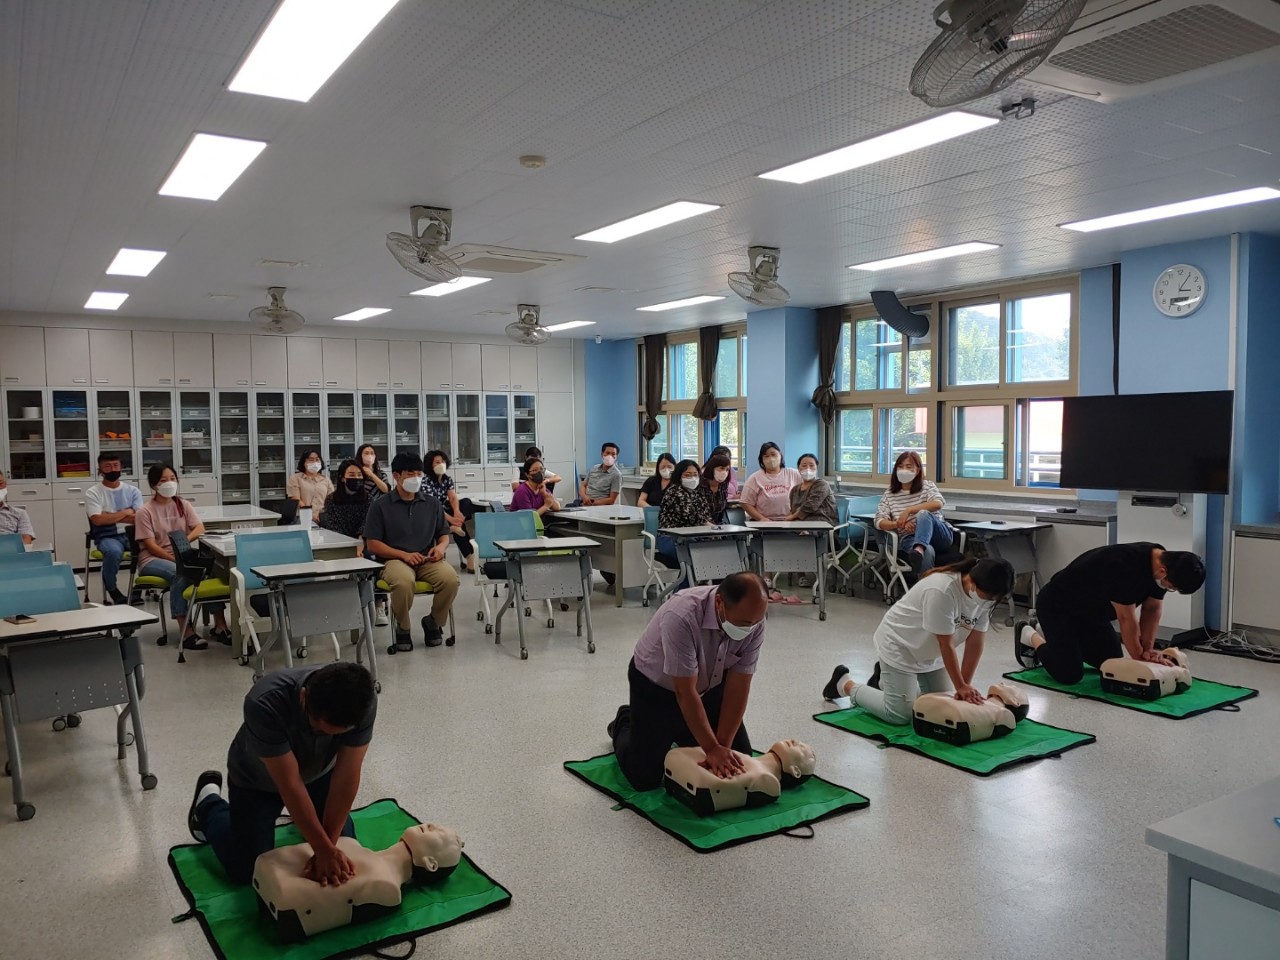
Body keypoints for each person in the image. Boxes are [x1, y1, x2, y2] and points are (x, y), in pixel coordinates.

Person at [186, 662, 377, 886]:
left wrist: (329, 846)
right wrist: (323, 849)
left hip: (319, 773)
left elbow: (346, 777)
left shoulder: (361, 702)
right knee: (248, 871)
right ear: (303, 696)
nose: (320, 735)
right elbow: (290, 784)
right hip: (257, 781)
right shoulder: (264, 702)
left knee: (345, 846)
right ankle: (208, 805)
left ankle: (308, 823)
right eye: (317, 728)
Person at [608, 572, 769, 790]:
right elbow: (685, 692)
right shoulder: (681, 615)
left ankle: (683, 729)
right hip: (657, 688)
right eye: (744, 623)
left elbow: (738, 688)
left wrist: (722, 747)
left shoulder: (754, 621)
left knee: (740, 759)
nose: (750, 629)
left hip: (709, 685)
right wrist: (711, 748)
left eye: (756, 622)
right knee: (644, 777)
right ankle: (625, 720)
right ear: (719, 603)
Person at [822, 557, 1015, 725]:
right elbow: (946, 644)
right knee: (900, 715)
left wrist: (965, 686)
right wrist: (960, 687)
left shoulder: (986, 598)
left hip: (931, 653)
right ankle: (845, 684)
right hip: (900, 645)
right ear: (972, 581)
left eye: (994, 598)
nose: (989, 601)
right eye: (988, 596)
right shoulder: (942, 590)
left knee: (941, 708)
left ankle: (885, 682)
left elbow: (975, 644)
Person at [1015, 543, 1207, 685]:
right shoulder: (1125, 566)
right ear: (1163, 571)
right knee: (1069, 674)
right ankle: (1030, 635)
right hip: (1058, 607)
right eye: (1172, 587)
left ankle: (1056, 638)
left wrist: (1148, 650)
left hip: (1092, 615)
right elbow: (1127, 619)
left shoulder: (1164, 565)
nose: (1168, 589)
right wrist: (1140, 661)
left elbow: (1152, 610)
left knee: (1111, 663)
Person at [363, 452, 460, 651]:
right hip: (394, 560)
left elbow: (443, 534)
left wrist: (440, 548)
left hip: (426, 559)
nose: (415, 478)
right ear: (396, 476)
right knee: (403, 582)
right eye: (410, 474)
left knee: (451, 579)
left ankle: (433, 621)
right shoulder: (380, 506)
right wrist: (403, 555)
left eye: (419, 474)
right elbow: (372, 544)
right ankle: (403, 626)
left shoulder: (432, 504)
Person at [134, 462, 230, 649]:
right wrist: (176, 559)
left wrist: (184, 542)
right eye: (163, 480)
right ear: (154, 485)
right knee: (181, 573)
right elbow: (151, 546)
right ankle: (186, 631)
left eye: (172, 479)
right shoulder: (145, 511)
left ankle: (220, 625)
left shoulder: (182, 505)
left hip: (181, 555)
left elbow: (199, 527)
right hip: (153, 559)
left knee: (210, 571)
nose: (169, 483)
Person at [876, 450, 955, 576]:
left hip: (939, 535)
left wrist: (909, 510)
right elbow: (879, 522)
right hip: (909, 537)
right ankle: (923, 584)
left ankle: (919, 548)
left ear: (917, 470)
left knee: (923, 514)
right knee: (927, 551)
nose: (904, 470)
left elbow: (938, 503)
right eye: (900, 466)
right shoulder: (889, 494)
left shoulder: (927, 486)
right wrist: (899, 523)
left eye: (909, 467)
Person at [85, 453, 145, 605]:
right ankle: (114, 591)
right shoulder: (93, 492)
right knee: (113, 552)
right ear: (100, 470)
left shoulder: (133, 491)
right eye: (107, 466)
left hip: (133, 534)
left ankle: (139, 588)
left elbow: (140, 517)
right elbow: (97, 520)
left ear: (121, 467)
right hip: (107, 536)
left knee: (149, 549)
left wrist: (109, 515)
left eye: (116, 465)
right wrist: (127, 511)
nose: (112, 469)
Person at [782, 453, 837, 588]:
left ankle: (818, 575)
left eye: (811, 465)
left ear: (817, 468)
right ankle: (800, 574)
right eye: (804, 465)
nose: (808, 468)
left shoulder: (821, 484)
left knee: (804, 535)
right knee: (783, 535)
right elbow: (792, 510)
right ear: (798, 468)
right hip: (799, 525)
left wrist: (793, 517)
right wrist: (789, 519)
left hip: (822, 525)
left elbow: (810, 506)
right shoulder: (795, 490)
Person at [655, 459, 714, 573]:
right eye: (687, 475)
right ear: (679, 476)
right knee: (697, 554)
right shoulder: (674, 492)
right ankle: (687, 585)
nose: (692, 478)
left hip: (693, 538)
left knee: (719, 549)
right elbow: (691, 517)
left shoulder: (698, 493)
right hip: (671, 539)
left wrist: (712, 528)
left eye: (695, 475)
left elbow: (707, 516)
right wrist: (708, 525)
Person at [422, 450, 476, 574]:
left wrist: (456, 512)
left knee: (466, 502)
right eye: (437, 462)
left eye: (443, 461)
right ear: (430, 465)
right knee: (458, 526)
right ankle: (469, 557)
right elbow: (434, 506)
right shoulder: (425, 481)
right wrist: (452, 520)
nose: (441, 464)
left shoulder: (446, 479)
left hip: (445, 510)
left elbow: (452, 497)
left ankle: (454, 527)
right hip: (431, 513)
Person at [739, 442, 800, 522]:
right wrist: (761, 518)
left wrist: (795, 515)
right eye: (766, 456)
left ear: (780, 455)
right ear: (762, 460)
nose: (771, 459)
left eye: (773, 454)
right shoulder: (755, 478)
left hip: (791, 521)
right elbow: (745, 502)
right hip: (764, 523)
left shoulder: (793, 474)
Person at [318, 460, 371, 540]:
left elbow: (368, 523)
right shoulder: (331, 499)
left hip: (363, 541)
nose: (356, 478)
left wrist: (360, 540)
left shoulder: (368, 499)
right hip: (339, 541)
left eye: (359, 475)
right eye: (352, 475)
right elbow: (332, 525)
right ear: (342, 478)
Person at [288, 449, 335, 519]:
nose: (315, 462)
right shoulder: (295, 478)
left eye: (317, 460)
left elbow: (331, 500)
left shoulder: (326, 479)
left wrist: (321, 516)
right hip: (303, 517)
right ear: (304, 462)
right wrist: (310, 515)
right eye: (311, 460)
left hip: (323, 516)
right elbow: (296, 499)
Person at [579, 441, 622, 506]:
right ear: (602, 454)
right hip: (585, 503)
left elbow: (611, 500)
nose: (610, 456)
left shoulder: (616, 475)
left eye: (613, 454)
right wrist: (584, 497)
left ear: (616, 456)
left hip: (600, 506)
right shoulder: (594, 468)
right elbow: (583, 485)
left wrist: (592, 503)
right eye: (607, 453)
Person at [701, 452, 732, 524]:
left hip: (718, 525)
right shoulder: (701, 485)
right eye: (722, 468)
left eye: (727, 469)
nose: (724, 472)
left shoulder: (723, 486)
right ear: (712, 468)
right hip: (701, 524)